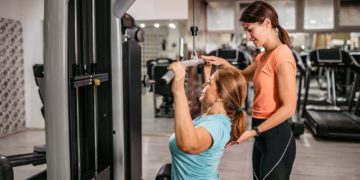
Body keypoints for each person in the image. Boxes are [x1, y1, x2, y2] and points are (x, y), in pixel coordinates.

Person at [202, 1, 297, 180]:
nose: (248, 36)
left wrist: (254, 132)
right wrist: (224, 64)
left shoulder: (282, 56)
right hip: (261, 135)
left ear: (267, 23)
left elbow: (289, 108)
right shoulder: (263, 55)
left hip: (276, 136)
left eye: (250, 29)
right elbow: (243, 76)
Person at [167, 62, 247, 180]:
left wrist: (178, 89)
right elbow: (207, 106)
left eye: (209, 83)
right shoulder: (213, 117)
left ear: (220, 96)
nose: (204, 84)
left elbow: (188, 144)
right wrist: (207, 74)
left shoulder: (217, 126)